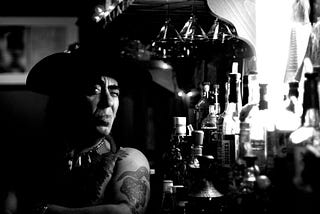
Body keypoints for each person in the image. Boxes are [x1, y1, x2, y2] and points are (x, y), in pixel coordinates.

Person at [20, 45, 151, 214]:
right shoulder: (34, 157)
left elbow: (125, 212)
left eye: (115, 93)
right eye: (93, 90)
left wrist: (44, 209)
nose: (108, 102)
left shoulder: (128, 159)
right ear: (68, 100)